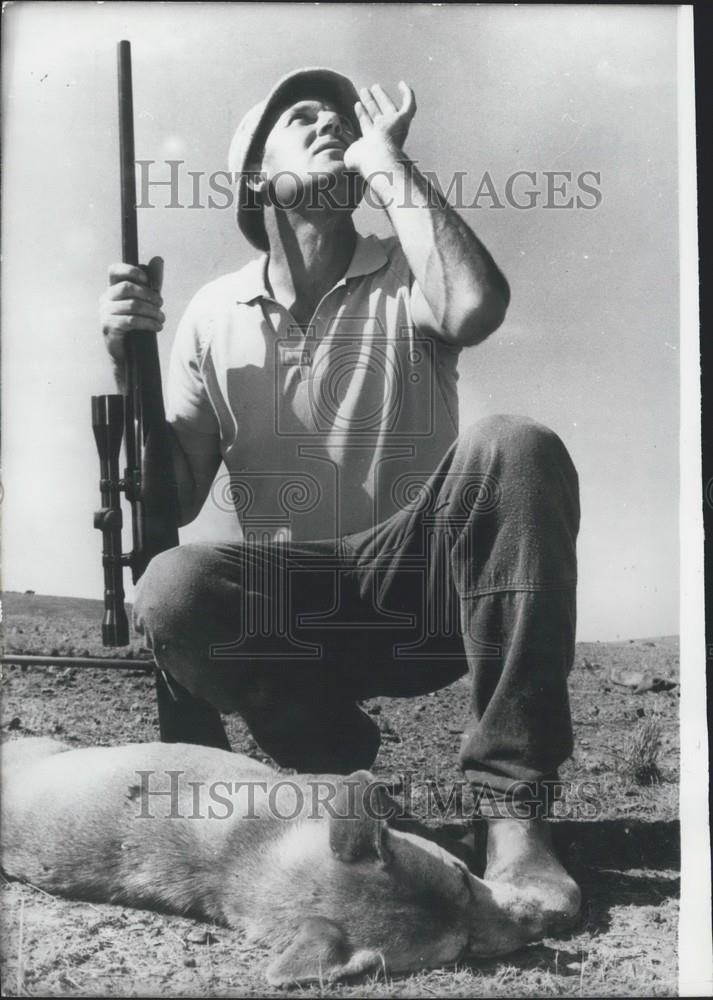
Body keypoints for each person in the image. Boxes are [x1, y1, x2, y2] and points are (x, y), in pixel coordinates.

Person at [100, 69, 581, 932]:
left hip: (429, 591)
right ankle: (340, 772)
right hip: (301, 612)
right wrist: (128, 360)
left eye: (339, 116)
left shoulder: (407, 265)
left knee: (515, 444)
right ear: (255, 179)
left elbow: (474, 307)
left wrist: (387, 158)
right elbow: (169, 495)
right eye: (299, 117)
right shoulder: (212, 312)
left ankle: (512, 817)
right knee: (171, 585)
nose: (330, 120)